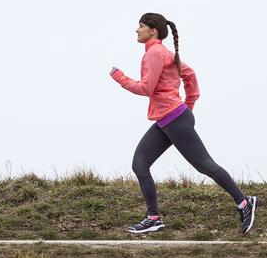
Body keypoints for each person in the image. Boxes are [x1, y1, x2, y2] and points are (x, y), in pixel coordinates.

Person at [109, 12, 258, 234]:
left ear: (153, 31)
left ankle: (244, 203)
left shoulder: (154, 53)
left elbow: (145, 88)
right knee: (140, 163)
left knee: (205, 165)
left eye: (140, 26)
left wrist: (120, 77)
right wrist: (189, 104)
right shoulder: (164, 52)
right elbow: (189, 75)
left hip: (174, 118)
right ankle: (153, 218)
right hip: (168, 118)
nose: (137, 30)